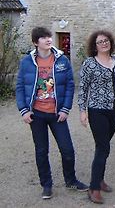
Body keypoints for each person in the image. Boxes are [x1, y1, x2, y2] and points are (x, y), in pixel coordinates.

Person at [16, 27, 88, 200]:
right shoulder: (27, 62)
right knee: (41, 151)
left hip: (57, 114)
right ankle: (46, 185)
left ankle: (70, 180)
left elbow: (70, 85)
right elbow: (19, 87)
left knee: (67, 149)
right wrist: (24, 110)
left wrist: (65, 108)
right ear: (35, 42)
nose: (48, 39)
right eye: (43, 38)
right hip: (36, 114)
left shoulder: (61, 60)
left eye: (49, 36)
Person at [78, 30, 115, 204]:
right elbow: (83, 88)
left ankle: (99, 179)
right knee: (102, 147)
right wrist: (82, 111)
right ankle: (94, 188)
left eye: (106, 41)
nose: (104, 43)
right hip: (97, 110)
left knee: (104, 147)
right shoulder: (89, 63)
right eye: (100, 42)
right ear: (94, 46)